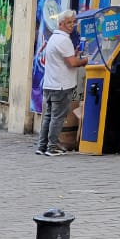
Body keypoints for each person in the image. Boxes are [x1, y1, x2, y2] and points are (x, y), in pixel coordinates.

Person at [36, 10, 87, 155]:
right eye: (69, 22)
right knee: (57, 118)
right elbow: (72, 63)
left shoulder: (53, 38)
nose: (72, 25)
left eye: (73, 22)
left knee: (48, 116)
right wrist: (86, 60)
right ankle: (53, 147)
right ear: (60, 24)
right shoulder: (64, 40)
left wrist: (74, 55)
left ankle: (42, 146)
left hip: (50, 84)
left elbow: (65, 59)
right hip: (61, 85)